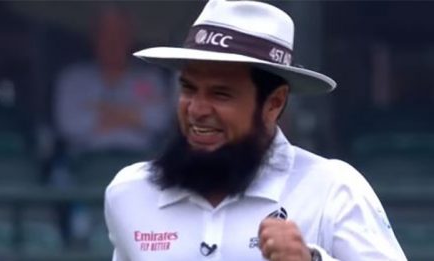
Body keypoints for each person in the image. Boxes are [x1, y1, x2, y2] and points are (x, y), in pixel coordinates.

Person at [103, 1, 407, 260]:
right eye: (188, 88)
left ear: (274, 103)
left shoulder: (333, 190)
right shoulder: (129, 193)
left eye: (221, 94)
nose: (196, 109)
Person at [53, 5, 169, 154]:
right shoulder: (72, 78)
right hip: (85, 163)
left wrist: (101, 110)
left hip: (139, 160)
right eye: (105, 34)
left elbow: (160, 120)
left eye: (119, 34)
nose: (112, 42)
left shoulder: (150, 78)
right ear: (94, 37)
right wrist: (133, 115)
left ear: (129, 37)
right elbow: (68, 124)